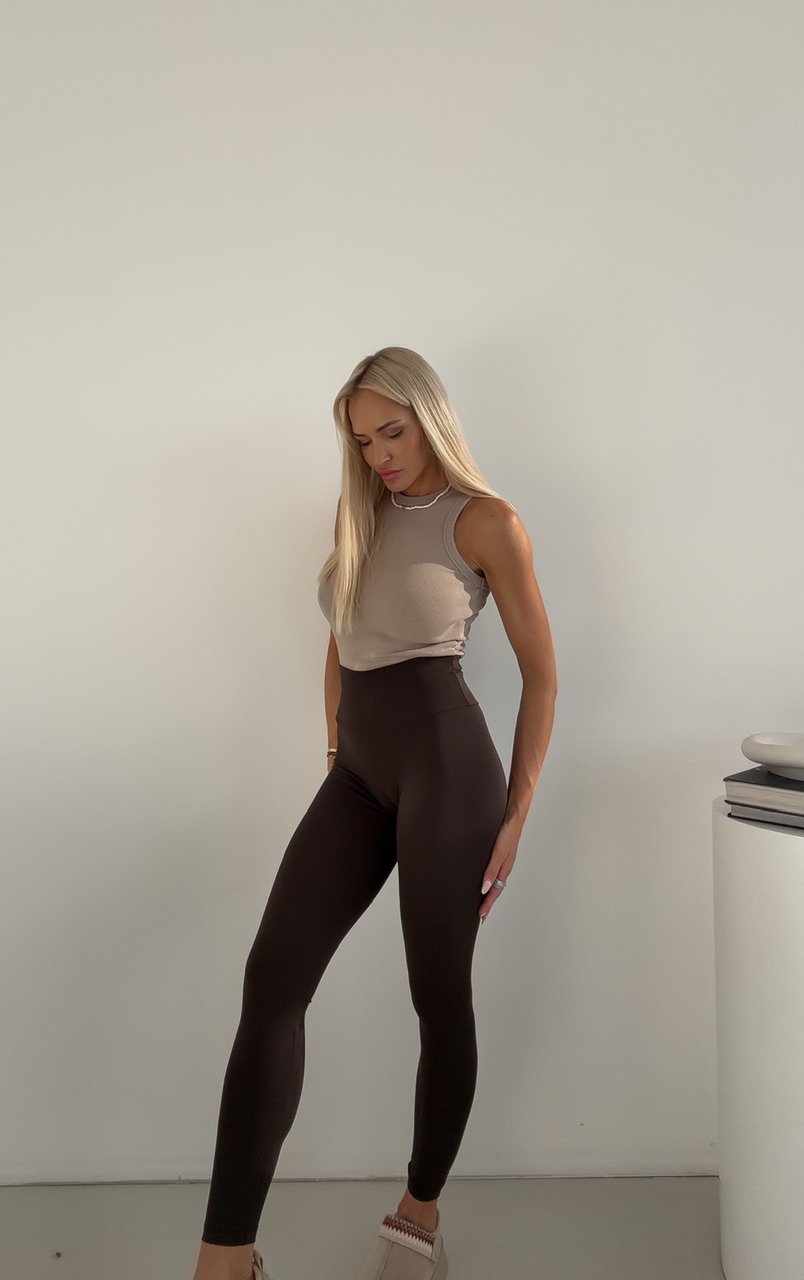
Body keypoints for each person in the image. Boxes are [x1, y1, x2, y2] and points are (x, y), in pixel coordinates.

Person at [190, 346, 558, 1280]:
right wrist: (334, 754)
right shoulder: (361, 515)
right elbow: (342, 640)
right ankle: (226, 1255)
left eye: (392, 432)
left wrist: (516, 814)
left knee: (438, 996)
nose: (378, 455)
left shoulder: (487, 521)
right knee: (272, 982)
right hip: (356, 777)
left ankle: (419, 1212)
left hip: (450, 777)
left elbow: (544, 677)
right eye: (362, 440)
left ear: (431, 417)